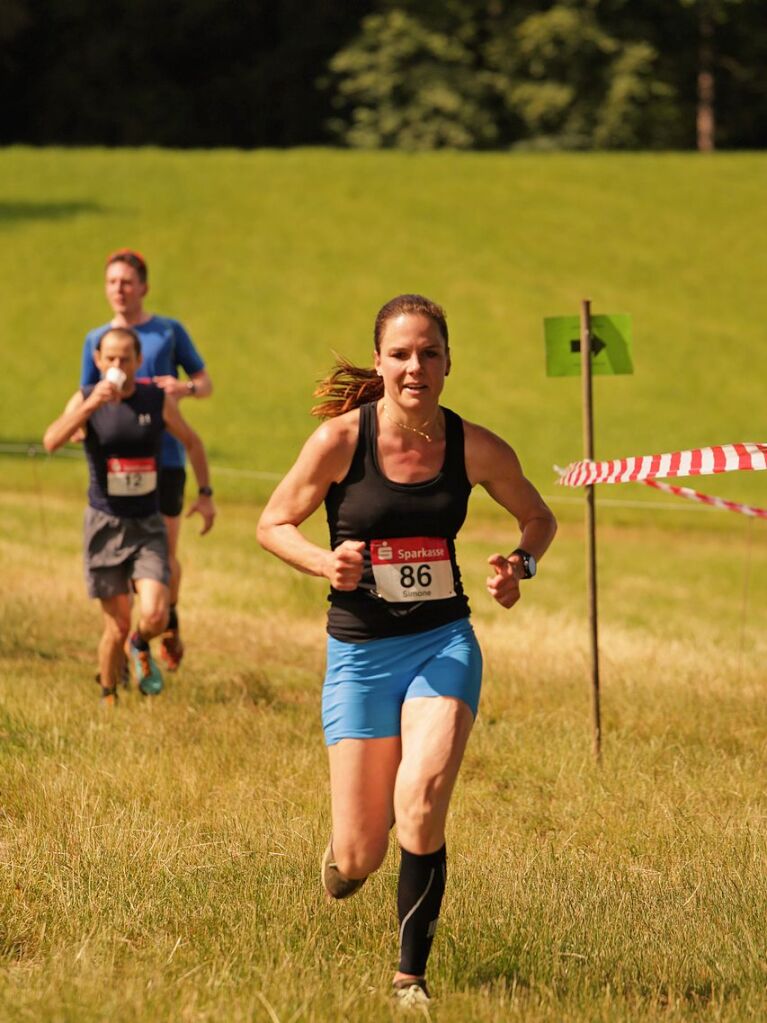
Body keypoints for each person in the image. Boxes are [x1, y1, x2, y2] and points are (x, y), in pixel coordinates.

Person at [257, 294, 557, 1005]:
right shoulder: (338, 441)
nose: (414, 365)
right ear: (381, 361)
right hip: (359, 654)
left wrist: (520, 563)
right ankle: (345, 857)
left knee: (420, 800)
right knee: (359, 851)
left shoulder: (474, 446)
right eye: (400, 353)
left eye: (428, 352)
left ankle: (408, 977)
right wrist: (323, 562)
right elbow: (272, 522)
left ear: (448, 363)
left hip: (441, 641)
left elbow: (537, 516)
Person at [46, 326, 216, 704]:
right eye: (110, 358)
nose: (117, 365)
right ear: (98, 361)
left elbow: (193, 443)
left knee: (154, 613)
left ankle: (141, 645)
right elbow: (51, 440)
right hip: (104, 525)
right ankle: (109, 694)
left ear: (139, 362)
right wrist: (90, 407)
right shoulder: (87, 397)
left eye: (125, 358)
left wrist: (205, 494)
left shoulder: (155, 399)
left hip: (148, 523)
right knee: (117, 624)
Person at [80, 249, 213, 671]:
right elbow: (85, 398)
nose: (119, 290)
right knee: (126, 559)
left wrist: (182, 388)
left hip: (166, 459)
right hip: (116, 465)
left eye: (126, 282)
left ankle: (164, 622)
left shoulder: (168, 332)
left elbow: (205, 383)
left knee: (161, 554)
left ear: (143, 287)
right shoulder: (95, 340)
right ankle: (127, 643)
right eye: (112, 282)